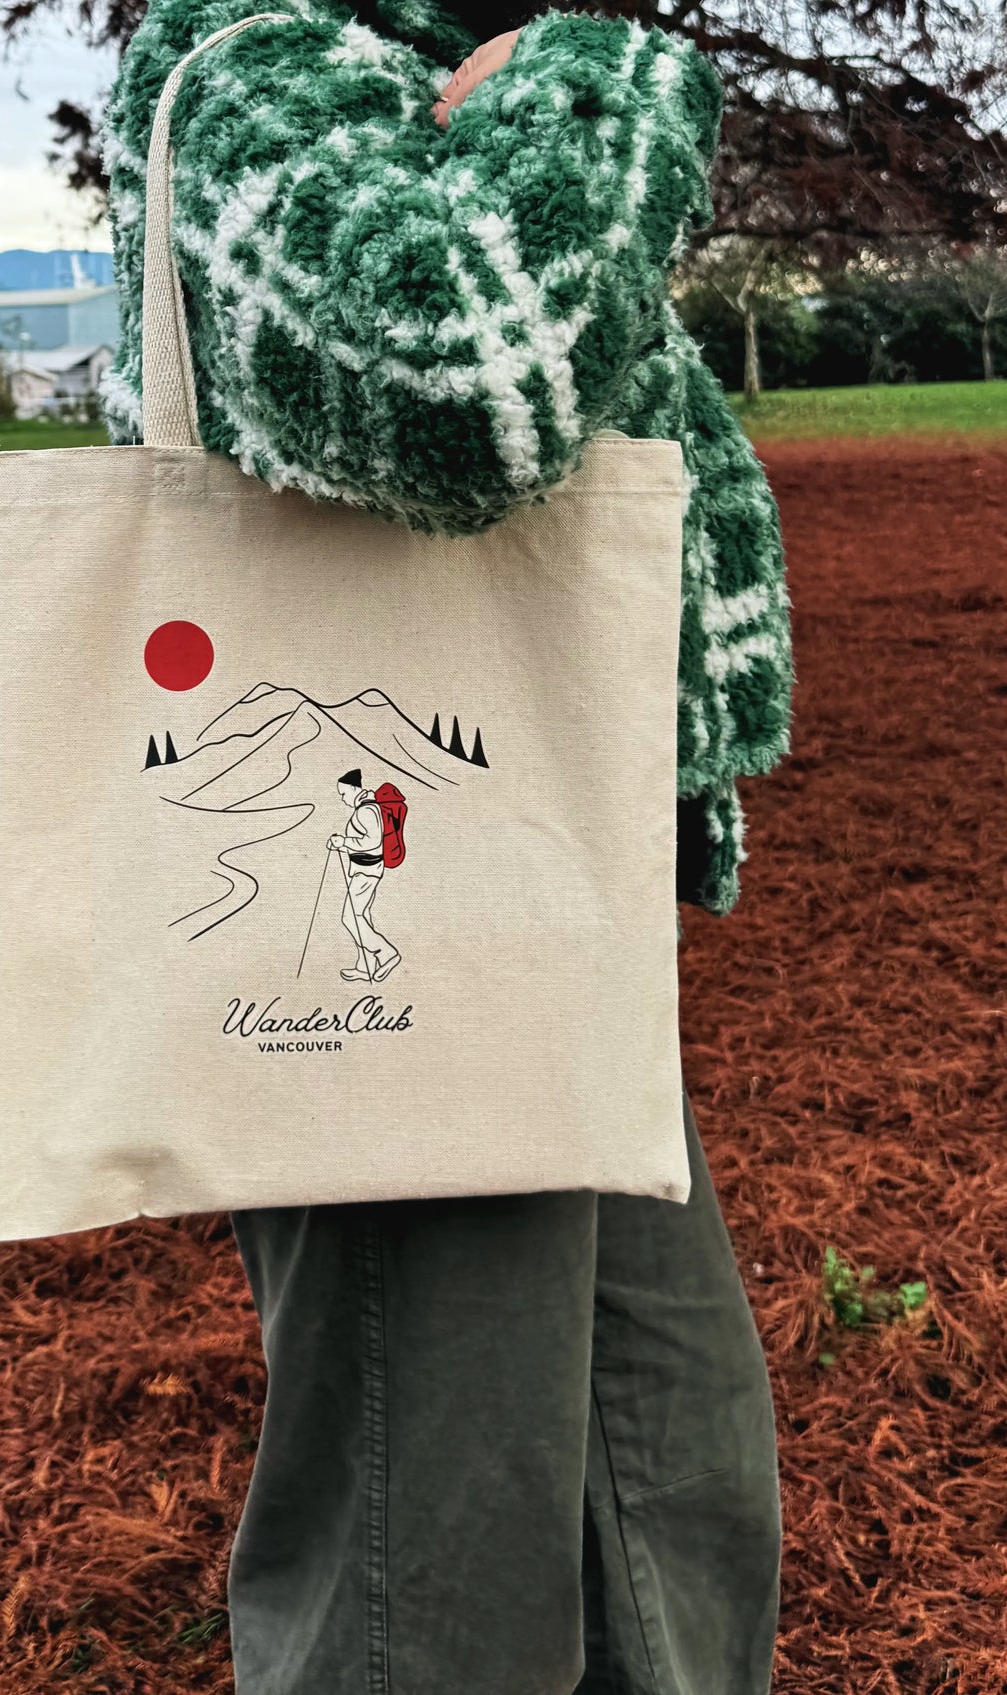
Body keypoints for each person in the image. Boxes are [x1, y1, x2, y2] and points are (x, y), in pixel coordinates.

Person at [103, 3, 791, 1691]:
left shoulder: (419, 72)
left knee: (669, 1498)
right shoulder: (259, 62)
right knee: (432, 1580)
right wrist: (599, 92)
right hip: (398, 949)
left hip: (539, 901)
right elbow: (460, 375)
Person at [327, 769, 402, 983]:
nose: (342, 799)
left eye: (343, 794)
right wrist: (342, 845)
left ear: (353, 789)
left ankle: (386, 954)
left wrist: (344, 842)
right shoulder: (366, 808)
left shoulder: (366, 811)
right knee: (363, 916)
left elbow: (372, 842)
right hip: (365, 869)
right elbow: (363, 843)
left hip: (365, 872)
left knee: (350, 917)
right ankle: (366, 966)